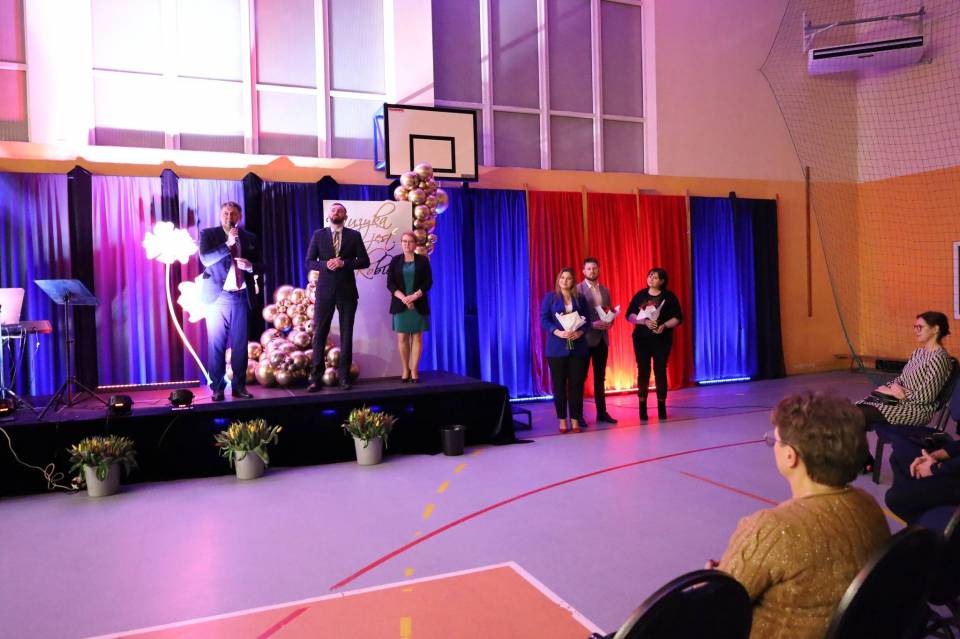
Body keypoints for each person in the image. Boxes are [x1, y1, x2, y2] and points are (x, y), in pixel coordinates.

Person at [708, 392, 890, 639]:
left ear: (790, 456)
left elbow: (717, 607)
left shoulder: (771, 528)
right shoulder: (868, 504)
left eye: (776, 441)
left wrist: (713, 580)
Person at [198, 201, 263, 402]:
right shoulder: (209, 234)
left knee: (240, 346)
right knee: (216, 346)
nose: (229, 217)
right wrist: (228, 244)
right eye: (225, 213)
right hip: (217, 298)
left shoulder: (249, 237)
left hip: (241, 297)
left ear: (239, 217)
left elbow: (262, 264)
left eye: (233, 214)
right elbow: (206, 259)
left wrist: (251, 266)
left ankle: (239, 387)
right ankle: (217, 388)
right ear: (220, 216)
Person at [305, 202, 371, 391]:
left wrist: (345, 263)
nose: (337, 213)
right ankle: (316, 378)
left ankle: (344, 377)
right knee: (319, 333)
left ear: (345, 216)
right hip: (324, 292)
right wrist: (325, 264)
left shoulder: (354, 235)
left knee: (346, 334)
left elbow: (364, 261)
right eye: (334, 210)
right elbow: (309, 262)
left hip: (347, 292)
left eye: (340, 211)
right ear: (329, 215)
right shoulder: (318, 235)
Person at [856, 311, 953, 428]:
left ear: (935, 329)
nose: (916, 331)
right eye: (915, 327)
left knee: (855, 416)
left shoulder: (939, 358)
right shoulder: (918, 353)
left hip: (916, 411)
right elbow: (901, 378)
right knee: (849, 412)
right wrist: (892, 386)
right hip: (897, 402)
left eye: (920, 327)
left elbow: (924, 398)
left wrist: (894, 392)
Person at [626, 268, 682, 421]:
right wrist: (644, 321)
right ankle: (642, 408)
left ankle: (662, 408)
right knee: (643, 370)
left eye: (655, 277)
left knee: (660, 370)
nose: (651, 279)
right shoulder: (640, 295)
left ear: (662, 281)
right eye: (650, 276)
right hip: (642, 339)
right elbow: (629, 315)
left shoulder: (669, 297)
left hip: (661, 340)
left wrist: (664, 325)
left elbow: (678, 317)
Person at [540, 267, 589, 433]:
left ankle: (575, 419)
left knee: (576, 385)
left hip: (578, 349)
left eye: (568, 278)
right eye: (562, 278)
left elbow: (588, 321)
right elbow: (544, 319)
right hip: (556, 349)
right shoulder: (550, 297)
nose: (565, 281)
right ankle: (562, 420)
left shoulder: (580, 298)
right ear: (558, 280)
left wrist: (580, 332)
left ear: (573, 281)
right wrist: (557, 332)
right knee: (559, 386)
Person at [387, 231, 432, 383]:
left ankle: (414, 370)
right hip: (400, 304)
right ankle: (405, 369)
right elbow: (390, 284)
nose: (407, 244)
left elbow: (428, 282)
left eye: (410, 241)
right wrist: (404, 299)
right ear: (401, 243)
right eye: (404, 241)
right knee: (402, 338)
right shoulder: (395, 261)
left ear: (415, 244)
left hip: (418, 304)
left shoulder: (423, 261)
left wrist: (414, 297)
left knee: (417, 337)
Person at [577, 257, 618, 425]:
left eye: (594, 268)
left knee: (600, 378)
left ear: (599, 270)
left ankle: (602, 413)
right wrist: (592, 324)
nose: (592, 271)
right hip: (584, 340)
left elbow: (609, 311)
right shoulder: (577, 289)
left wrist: (610, 321)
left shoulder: (605, 290)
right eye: (589, 268)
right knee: (579, 378)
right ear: (583, 271)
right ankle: (578, 415)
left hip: (602, 339)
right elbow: (574, 316)